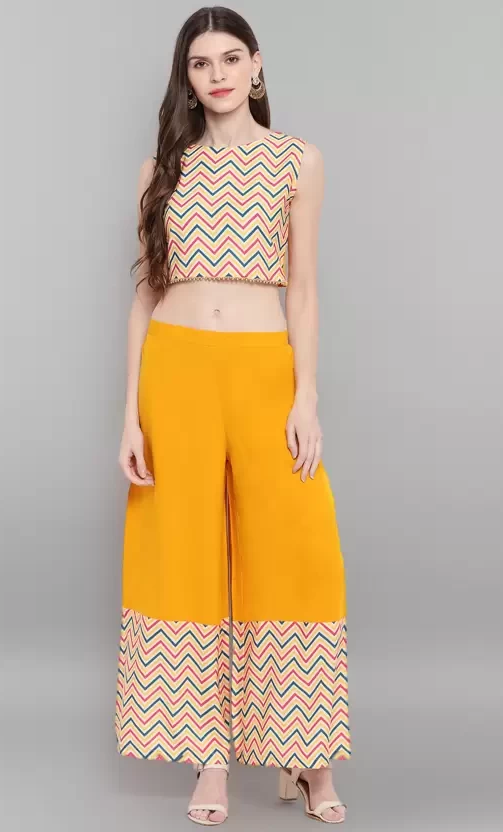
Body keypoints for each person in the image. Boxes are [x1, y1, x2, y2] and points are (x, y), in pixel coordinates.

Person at [114, 5, 351, 826]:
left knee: (296, 551)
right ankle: (207, 759)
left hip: (260, 371)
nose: (215, 74)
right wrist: (129, 416)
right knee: (182, 556)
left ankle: (308, 755)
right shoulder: (161, 170)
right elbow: (144, 293)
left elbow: (304, 290)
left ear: (256, 65)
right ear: (186, 80)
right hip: (175, 372)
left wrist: (305, 394)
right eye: (199, 63)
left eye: (228, 58)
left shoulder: (296, 161)